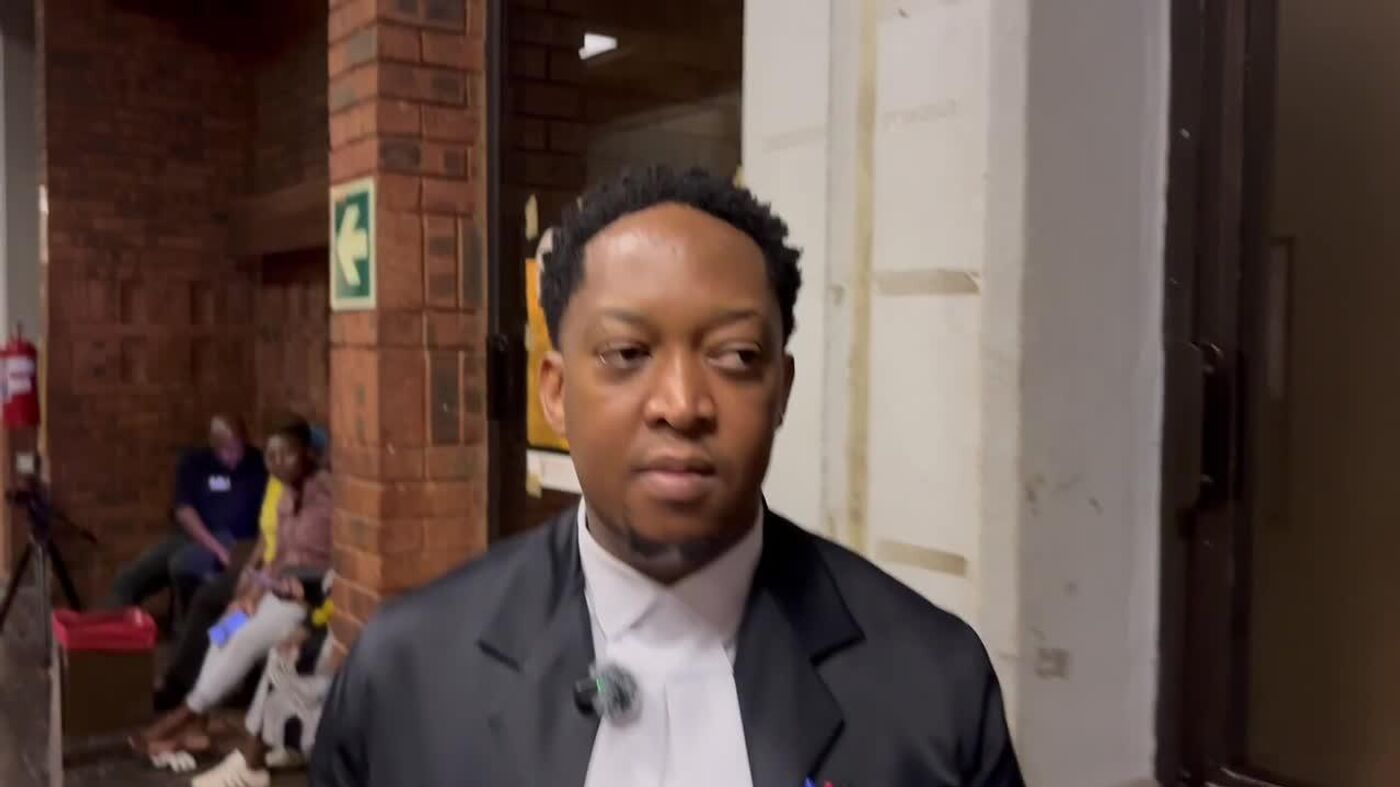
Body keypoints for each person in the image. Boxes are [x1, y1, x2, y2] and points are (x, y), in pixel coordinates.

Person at [310, 167, 1025, 786]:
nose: (682, 405)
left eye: (736, 356)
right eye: (626, 352)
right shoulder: (409, 671)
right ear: (554, 392)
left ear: (781, 390)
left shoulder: (931, 684)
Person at [133, 419, 333, 758]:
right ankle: (199, 720)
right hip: (273, 594)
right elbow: (278, 557)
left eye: (286, 454)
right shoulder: (285, 497)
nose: (277, 462)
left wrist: (305, 590)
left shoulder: (328, 497)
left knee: (242, 640)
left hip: (303, 603)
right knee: (223, 632)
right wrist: (247, 598)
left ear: (308, 454)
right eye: (270, 455)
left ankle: (183, 715)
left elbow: (336, 562)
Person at [106, 413, 267, 610]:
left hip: (235, 540)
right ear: (213, 445)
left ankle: (186, 625)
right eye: (225, 450)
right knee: (129, 579)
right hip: (195, 536)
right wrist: (216, 548)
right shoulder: (196, 463)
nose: (232, 456)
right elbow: (183, 510)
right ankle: (116, 623)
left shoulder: (258, 465)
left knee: (182, 565)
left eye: (236, 449)